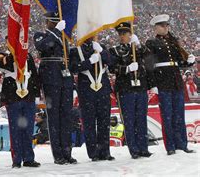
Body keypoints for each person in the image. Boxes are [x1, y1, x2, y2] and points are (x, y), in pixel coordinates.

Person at [145, 14, 196, 155]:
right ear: (156, 28)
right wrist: (152, 84)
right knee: (167, 115)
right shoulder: (151, 43)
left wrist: (188, 62)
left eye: (167, 25)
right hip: (162, 81)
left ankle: (182, 144)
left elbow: (179, 62)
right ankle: (171, 146)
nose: (166, 28)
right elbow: (149, 66)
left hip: (176, 81)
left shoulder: (173, 42)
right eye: (162, 25)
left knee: (179, 114)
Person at [34, 12, 77, 165]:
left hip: (65, 78)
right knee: (54, 117)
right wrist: (57, 32)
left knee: (66, 116)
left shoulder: (64, 38)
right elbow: (43, 46)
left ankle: (67, 152)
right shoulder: (41, 35)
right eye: (53, 22)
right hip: (50, 78)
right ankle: (58, 154)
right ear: (48, 23)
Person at [109, 22, 152, 159]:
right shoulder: (115, 50)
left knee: (141, 119)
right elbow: (112, 67)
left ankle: (143, 148)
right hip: (125, 88)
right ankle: (133, 149)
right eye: (120, 34)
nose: (122, 37)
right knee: (129, 120)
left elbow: (149, 59)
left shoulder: (138, 48)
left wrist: (139, 45)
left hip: (140, 87)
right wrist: (126, 69)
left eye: (125, 34)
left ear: (130, 34)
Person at [0, 40, 41, 168]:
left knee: (28, 130)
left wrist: (36, 94)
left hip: (28, 97)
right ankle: (17, 159)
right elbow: (6, 65)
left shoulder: (28, 56)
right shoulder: (2, 55)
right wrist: (14, 53)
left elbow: (34, 75)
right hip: (13, 98)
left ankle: (28, 158)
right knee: (15, 130)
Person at [70, 36, 114, 161]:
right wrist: (89, 62)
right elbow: (73, 68)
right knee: (89, 123)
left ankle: (105, 151)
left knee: (104, 122)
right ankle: (93, 152)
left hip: (103, 89)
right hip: (86, 90)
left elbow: (111, 62)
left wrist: (101, 51)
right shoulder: (75, 50)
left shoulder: (101, 47)